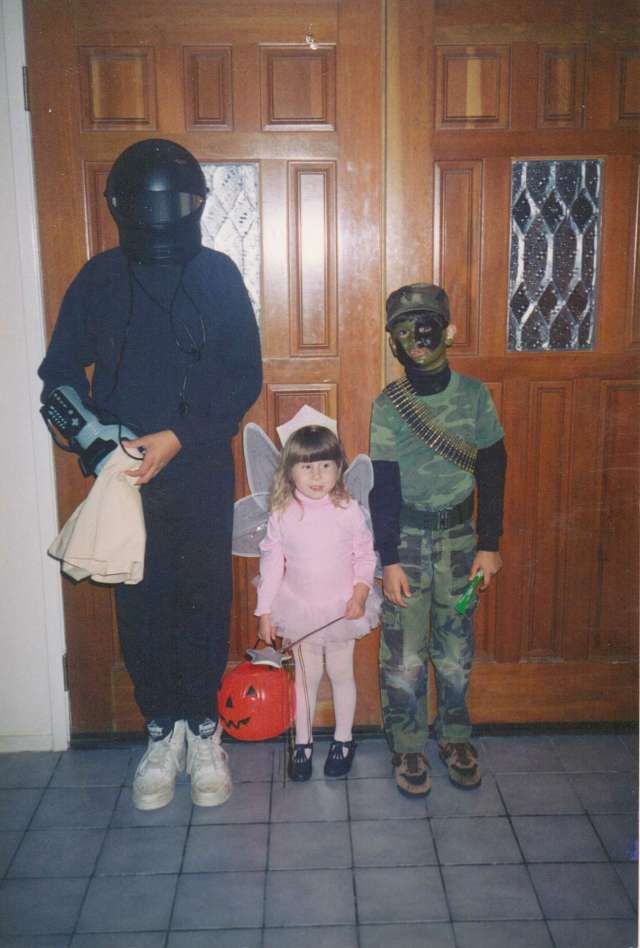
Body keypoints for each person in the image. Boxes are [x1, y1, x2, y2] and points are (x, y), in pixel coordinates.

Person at [38, 139, 262, 810]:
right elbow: (58, 377)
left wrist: (179, 436)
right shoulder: (99, 279)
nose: (163, 217)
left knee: (202, 598)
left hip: (199, 465)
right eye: (148, 205)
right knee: (140, 603)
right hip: (124, 473)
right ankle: (162, 731)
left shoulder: (217, 274)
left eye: (176, 203)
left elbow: (243, 375)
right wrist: (98, 443)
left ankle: (204, 730)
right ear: (123, 207)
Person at [369, 283, 506, 797]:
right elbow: (383, 486)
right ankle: (407, 744)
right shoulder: (389, 405)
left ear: (449, 332)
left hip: (460, 541)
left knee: (454, 650)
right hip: (406, 541)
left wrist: (489, 544)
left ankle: (454, 736)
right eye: (405, 330)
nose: (417, 338)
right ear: (393, 343)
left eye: (427, 325)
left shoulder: (474, 396)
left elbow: (493, 468)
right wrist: (388, 559)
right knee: (403, 654)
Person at [255, 420, 379, 780]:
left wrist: (360, 593)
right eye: (307, 467)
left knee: (340, 673)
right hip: (298, 607)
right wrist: (265, 610)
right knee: (306, 679)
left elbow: (365, 555)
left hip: (341, 608)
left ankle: (343, 739)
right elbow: (271, 562)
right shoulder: (282, 513)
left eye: (326, 465)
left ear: (338, 468)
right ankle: (303, 743)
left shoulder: (347, 509)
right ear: (289, 471)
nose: (317, 475)